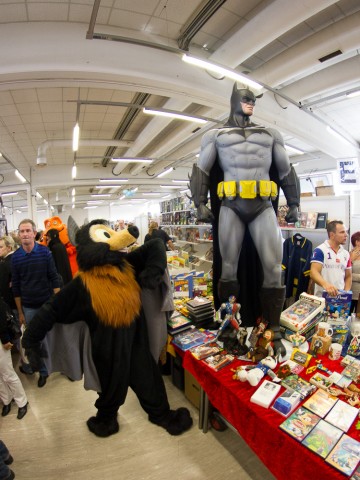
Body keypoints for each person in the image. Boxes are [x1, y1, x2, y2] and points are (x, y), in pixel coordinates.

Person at [189, 84, 300, 355]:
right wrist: (199, 202)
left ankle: (272, 328)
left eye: (254, 100)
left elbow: (285, 169)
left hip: (263, 206)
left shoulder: (270, 134)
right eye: (247, 99)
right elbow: (202, 169)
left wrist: (294, 202)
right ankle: (230, 326)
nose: (252, 104)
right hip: (230, 205)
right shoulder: (216, 136)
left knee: (274, 267)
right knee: (228, 268)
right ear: (235, 100)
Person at [11, 219, 61, 387]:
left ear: (34, 233)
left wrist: (58, 302)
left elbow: (54, 278)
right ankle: (43, 371)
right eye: (22, 231)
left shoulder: (45, 253)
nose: (25, 234)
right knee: (34, 342)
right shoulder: (16, 258)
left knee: (52, 337)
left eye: (27, 230)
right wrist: (20, 312)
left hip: (47, 304)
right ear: (19, 235)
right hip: (29, 307)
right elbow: (16, 287)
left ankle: (59, 365)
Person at [0, 298, 28, 420]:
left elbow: (1, 318)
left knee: (7, 373)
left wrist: (5, 339)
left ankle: (22, 402)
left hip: (1, 341)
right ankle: (7, 400)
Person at [310, 220, 352, 297]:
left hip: (340, 299)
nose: (346, 235)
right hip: (322, 298)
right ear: (332, 235)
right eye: (342, 232)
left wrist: (345, 292)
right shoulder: (320, 250)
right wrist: (326, 285)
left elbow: (348, 276)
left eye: (346, 232)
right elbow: (314, 272)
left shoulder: (346, 254)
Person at [349, 231, 360, 312]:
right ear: (357, 242)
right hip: (349, 292)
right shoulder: (347, 255)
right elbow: (344, 273)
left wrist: (352, 276)